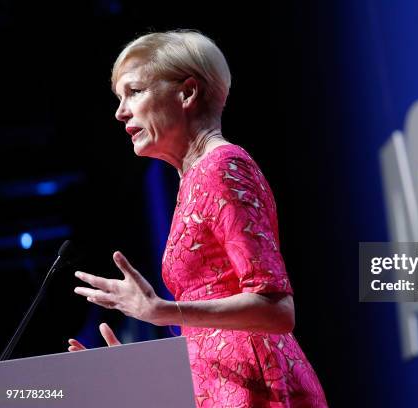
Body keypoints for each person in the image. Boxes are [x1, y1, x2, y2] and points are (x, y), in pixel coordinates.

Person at [66, 30, 328, 408]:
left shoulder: (222, 167)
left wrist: (161, 311)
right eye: (119, 98)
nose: (120, 111)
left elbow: (277, 310)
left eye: (134, 92)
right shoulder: (193, 180)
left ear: (187, 93)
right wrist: (136, 371)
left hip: (260, 390)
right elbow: (209, 332)